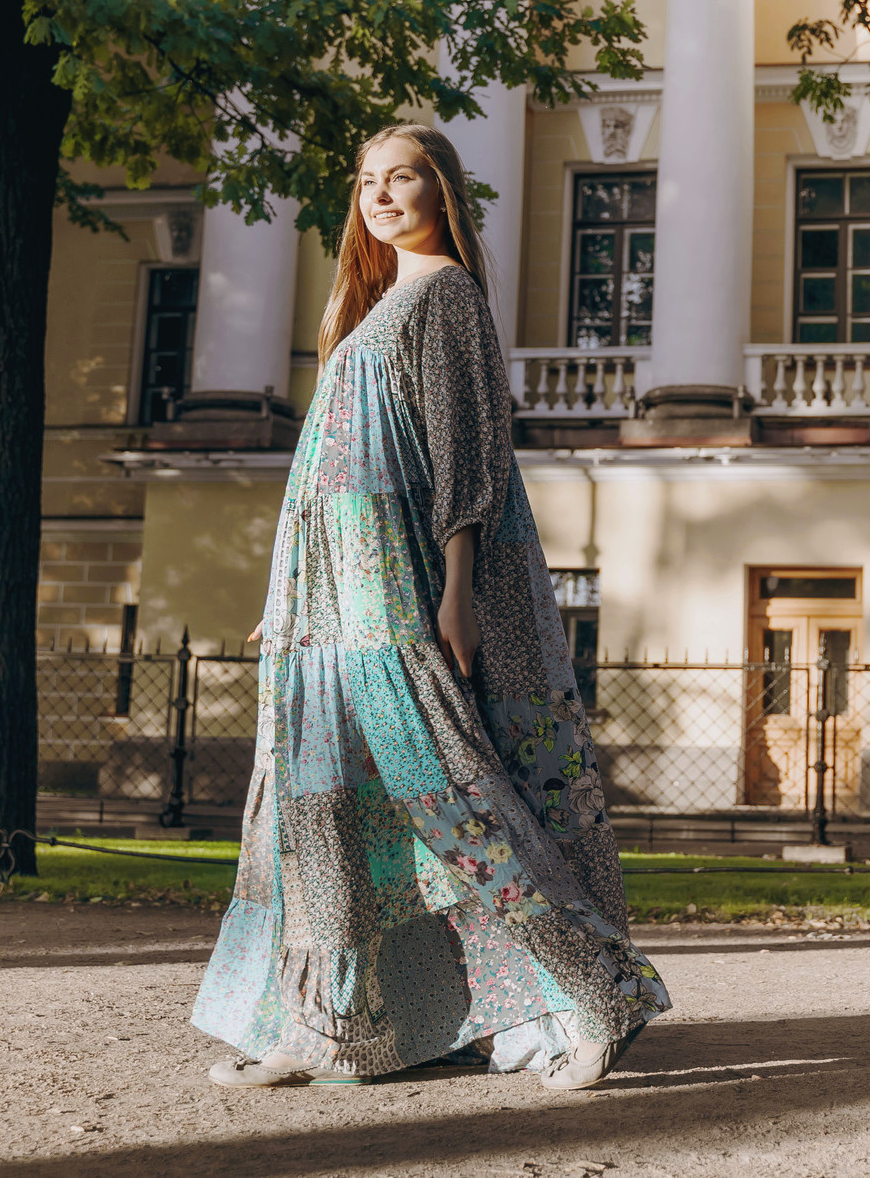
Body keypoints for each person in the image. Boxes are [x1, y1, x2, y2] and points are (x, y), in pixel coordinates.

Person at [192, 124, 669, 1090]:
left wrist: (457, 587)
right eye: (366, 179)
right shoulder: (369, 309)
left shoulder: (444, 293)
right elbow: (327, 467)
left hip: (396, 597)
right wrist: (288, 593)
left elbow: (466, 451)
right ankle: (328, 1025)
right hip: (329, 609)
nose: (379, 194)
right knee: (316, 811)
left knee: (452, 796)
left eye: (399, 176)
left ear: (441, 190)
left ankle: (599, 990)